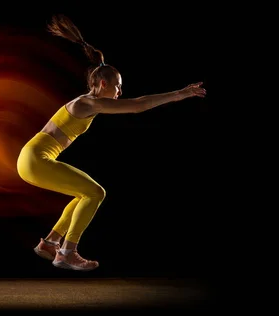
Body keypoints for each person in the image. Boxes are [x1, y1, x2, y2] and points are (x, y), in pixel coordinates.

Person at [16, 15, 206, 271]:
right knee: (96, 193)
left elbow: (133, 103)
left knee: (84, 194)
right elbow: (138, 105)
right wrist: (180, 94)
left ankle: (50, 244)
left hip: (30, 159)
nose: (119, 93)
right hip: (35, 159)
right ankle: (67, 252)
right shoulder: (88, 102)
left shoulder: (87, 103)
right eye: (117, 87)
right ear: (103, 84)